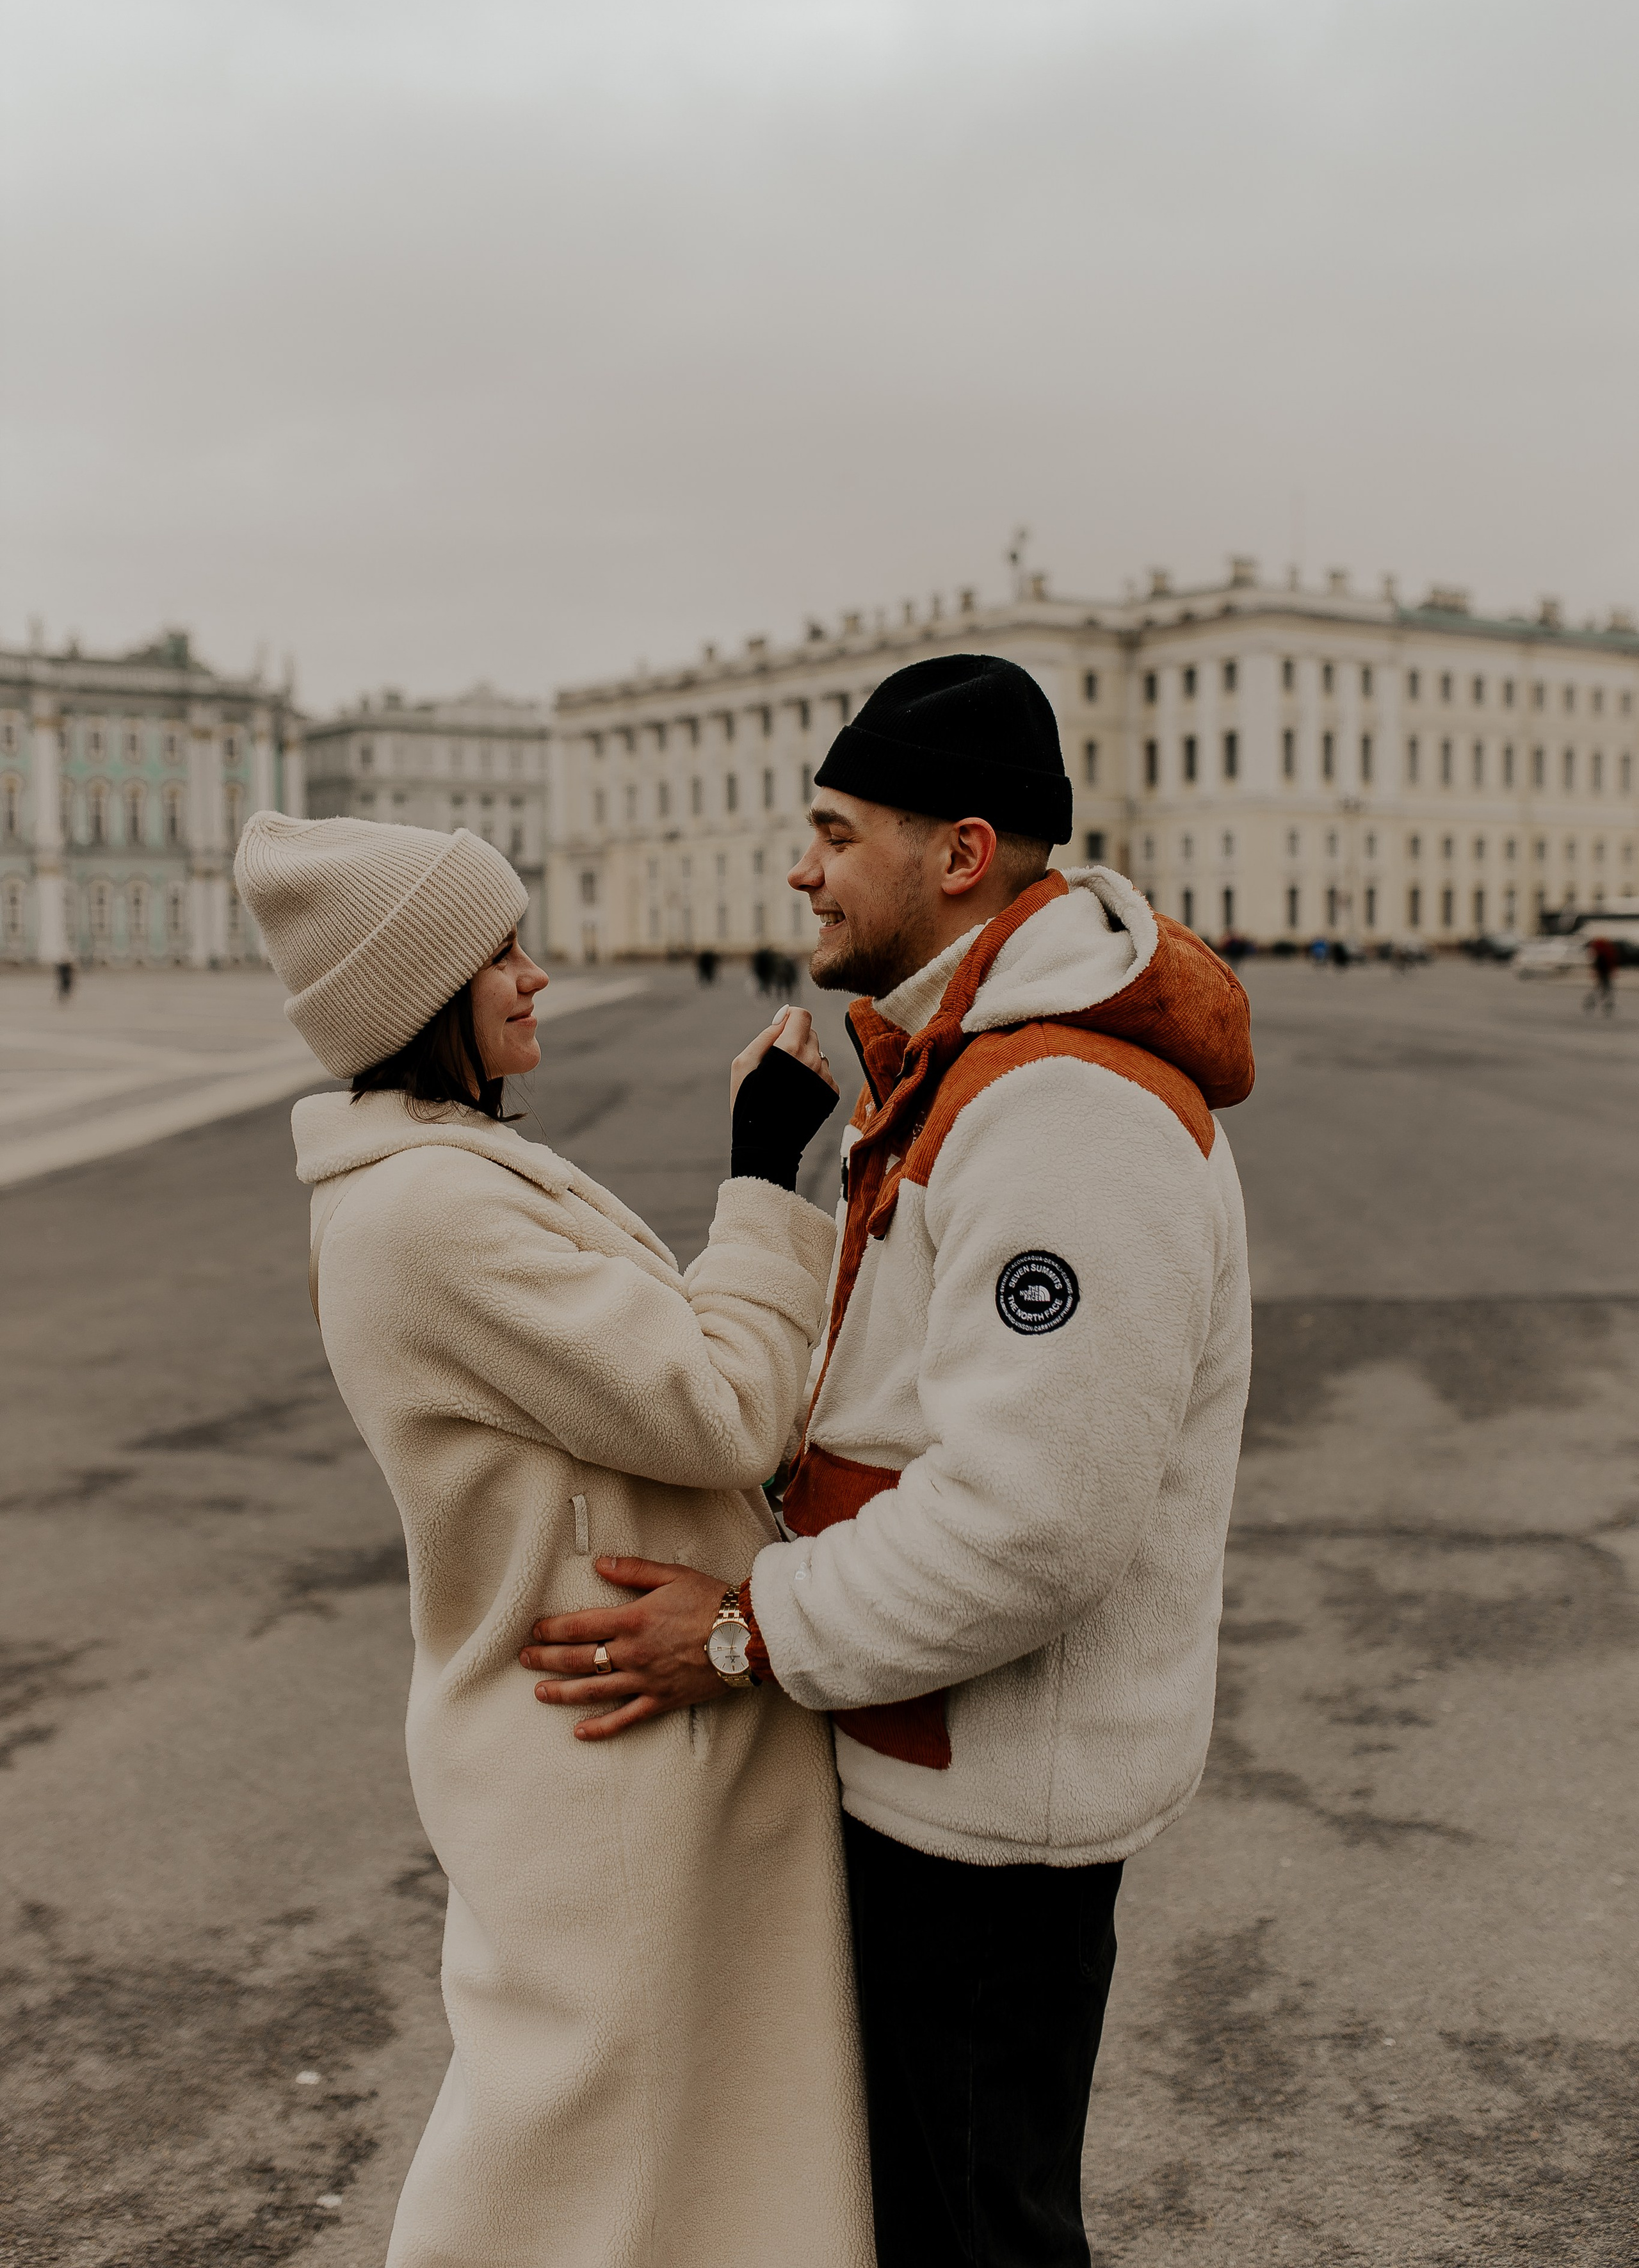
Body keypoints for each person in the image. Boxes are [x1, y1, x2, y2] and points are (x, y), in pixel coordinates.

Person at [524, 654, 1255, 2268]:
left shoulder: (1063, 1106)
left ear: (958, 852)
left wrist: (740, 1628)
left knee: (970, 2229)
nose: (799, 864)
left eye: (833, 828)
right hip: (926, 1754)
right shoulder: (966, 1070)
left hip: (988, 1810)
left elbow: (1031, 1523)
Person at [234, 811, 873, 2268]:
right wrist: (764, 1177)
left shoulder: (440, 1172)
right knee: (571, 2160)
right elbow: (715, 1413)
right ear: (418, 996)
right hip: (605, 1741)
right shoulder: (430, 1210)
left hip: (609, 1727)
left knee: (648, 2154)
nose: (537, 975)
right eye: (498, 953)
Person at [1585, 934, 1618, 1016]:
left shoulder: (1601, 953)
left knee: (1601, 990)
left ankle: (1592, 1003)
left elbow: (1597, 965)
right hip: (1605, 974)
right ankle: (1606, 1006)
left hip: (1603, 974)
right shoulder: (1605, 952)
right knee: (1607, 990)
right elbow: (1609, 963)